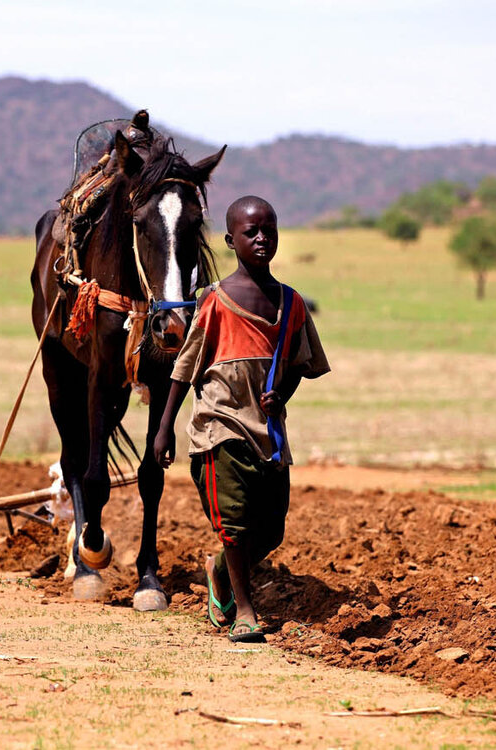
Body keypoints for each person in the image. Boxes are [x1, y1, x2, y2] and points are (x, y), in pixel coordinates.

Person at [154, 195, 329, 642]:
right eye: (251, 232)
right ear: (231, 240)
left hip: (267, 432)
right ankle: (245, 611)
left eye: (269, 230)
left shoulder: (290, 305)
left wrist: (280, 395)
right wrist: (164, 429)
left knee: (271, 530)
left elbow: (299, 365)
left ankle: (218, 571)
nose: (261, 238)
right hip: (220, 424)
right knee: (233, 522)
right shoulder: (214, 301)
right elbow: (184, 367)